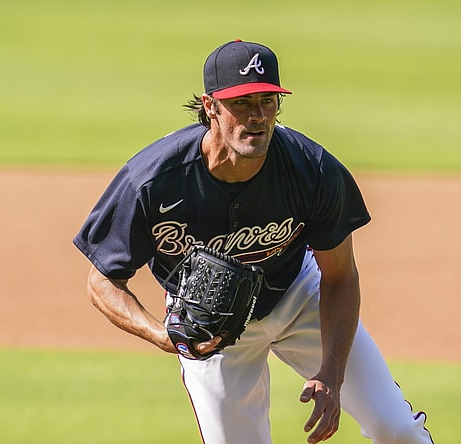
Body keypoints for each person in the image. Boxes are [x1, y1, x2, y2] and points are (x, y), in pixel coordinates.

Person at [73, 39, 434, 444]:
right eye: (242, 103)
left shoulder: (312, 170)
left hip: (299, 296)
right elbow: (102, 281)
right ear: (210, 107)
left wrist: (331, 374)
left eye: (268, 101)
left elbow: (340, 276)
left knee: (398, 429)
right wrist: (162, 334)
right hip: (208, 325)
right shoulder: (152, 180)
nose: (258, 116)